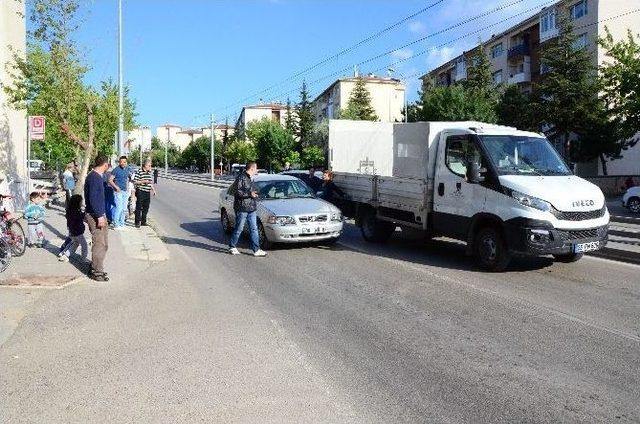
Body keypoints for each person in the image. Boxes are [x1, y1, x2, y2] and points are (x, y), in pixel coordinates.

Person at [229, 162, 267, 257]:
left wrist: (255, 193)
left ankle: (256, 250)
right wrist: (250, 194)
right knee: (239, 228)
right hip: (242, 208)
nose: (257, 170)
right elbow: (237, 192)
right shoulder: (241, 177)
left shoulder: (250, 178)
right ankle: (232, 246)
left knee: (254, 229)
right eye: (256, 168)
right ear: (252, 168)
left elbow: (248, 191)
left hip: (251, 208)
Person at [84, 155, 110, 282]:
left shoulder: (96, 176)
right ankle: (96, 272)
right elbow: (94, 198)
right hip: (95, 215)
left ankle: (95, 266)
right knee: (99, 244)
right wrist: (100, 216)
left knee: (104, 244)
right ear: (105, 165)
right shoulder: (94, 177)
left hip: (99, 214)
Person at [58, 194, 88, 263]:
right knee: (84, 245)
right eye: (81, 202)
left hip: (72, 230)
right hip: (77, 231)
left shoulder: (70, 210)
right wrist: (85, 212)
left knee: (75, 243)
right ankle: (84, 258)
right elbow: (80, 217)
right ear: (77, 203)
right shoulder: (76, 211)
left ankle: (65, 255)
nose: (81, 203)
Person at [133, 160, 156, 228]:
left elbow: (150, 182)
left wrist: (153, 190)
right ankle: (137, 222)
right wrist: (143, 181)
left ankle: (143, 221)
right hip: (140, 191)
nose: (150, 167)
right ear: (145, 165)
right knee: (139, 207)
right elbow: (135, 182)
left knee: (146, 207)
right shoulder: (139, 171)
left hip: (147, 192)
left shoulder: (149, 173)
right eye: (149, 165)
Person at [111, 156, 131, 229]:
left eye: (124, 162)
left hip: (125, 192)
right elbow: (110, 180)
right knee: (119, 208)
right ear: (119, 162)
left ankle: (122, 223)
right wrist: (116, 187)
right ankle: (116, 224)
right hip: (118, 192)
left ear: (126, 162)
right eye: (121, 162)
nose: (122, 163)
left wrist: (128, 189)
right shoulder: (116, 170)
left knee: (124, 209)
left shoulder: (127, 169)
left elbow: (127, 179)